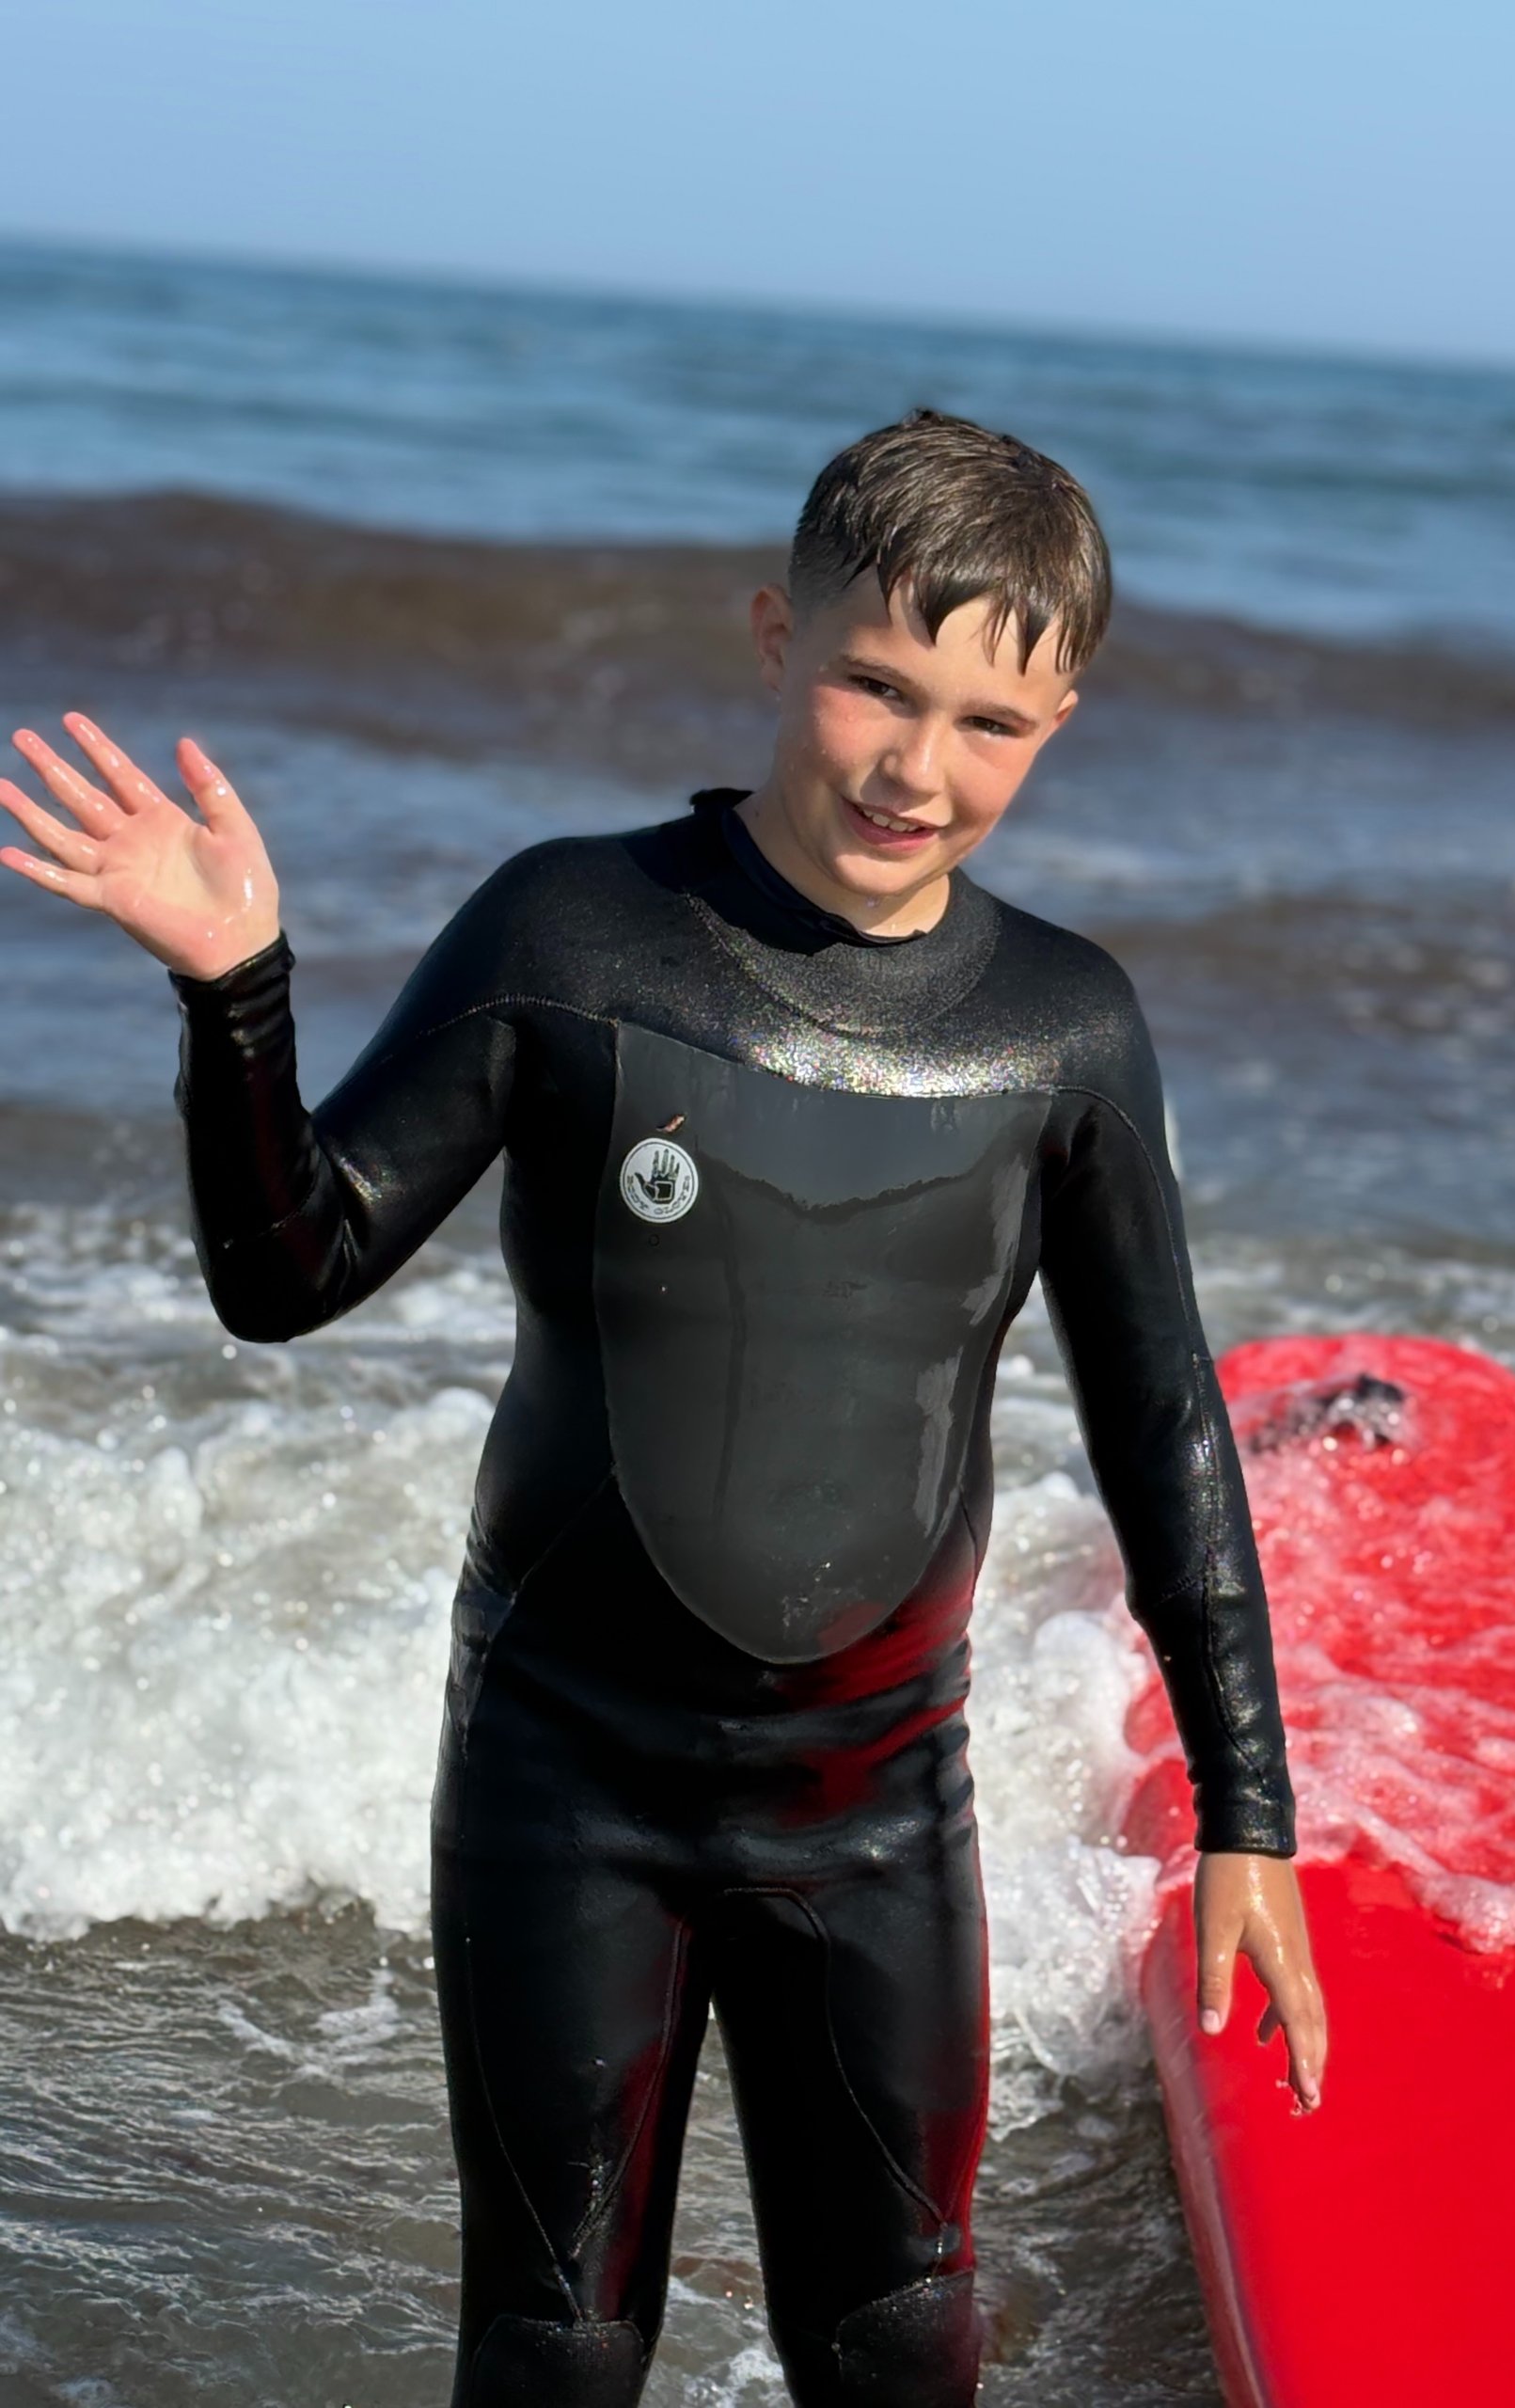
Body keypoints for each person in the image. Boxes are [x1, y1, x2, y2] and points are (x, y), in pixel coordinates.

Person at [0, 410, 1326, 2407]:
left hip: (880, 1805)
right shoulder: (573, 933)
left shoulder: (1061, 1031)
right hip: (566, 1781)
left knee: (900, 2337)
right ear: (777, 636)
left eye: (990, 722)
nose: (918, 766)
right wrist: (239, 992)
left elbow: (1163, 1425)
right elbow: (291, 1274)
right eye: (878, 684)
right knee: (555, 2347)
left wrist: (1249, 1813)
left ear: (1058, 721)